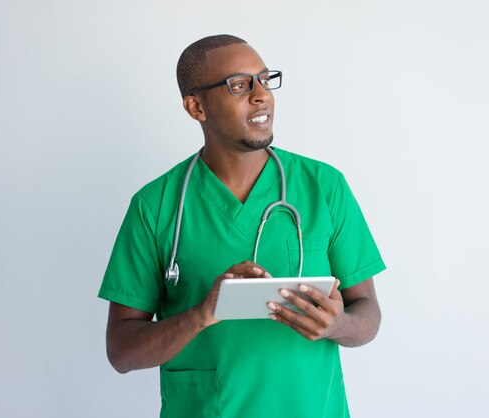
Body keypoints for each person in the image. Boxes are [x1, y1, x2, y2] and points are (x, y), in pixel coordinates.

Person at [99, 34, 386, 418]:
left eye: (265, 80)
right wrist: (203, 313)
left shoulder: (324, 186)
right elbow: (121, 351)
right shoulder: (155, 206)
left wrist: (337, 325)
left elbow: (367, 313)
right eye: (239, 85)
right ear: (196, 106)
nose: (261, 94)